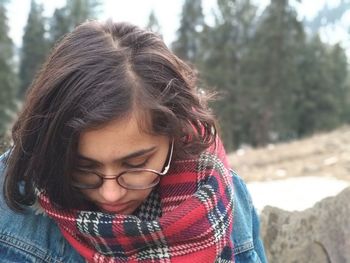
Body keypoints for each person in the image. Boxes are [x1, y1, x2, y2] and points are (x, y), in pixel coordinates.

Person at [0, 20, 267, 262]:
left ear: (173, 136)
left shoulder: (223, 196)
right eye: (83, 168)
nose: (110, 194)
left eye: (136, 164)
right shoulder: (10, 202)